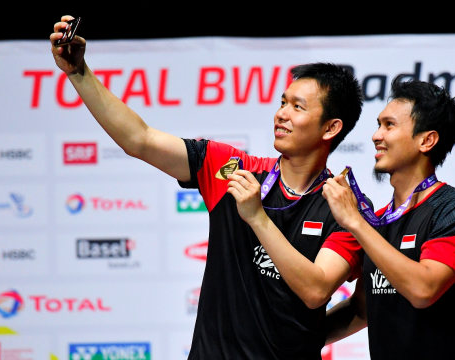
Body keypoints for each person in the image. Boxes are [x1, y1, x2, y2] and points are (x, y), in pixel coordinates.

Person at [50, 15, 364, 360]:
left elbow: (316, 290)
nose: (281, 114)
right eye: (282, 102)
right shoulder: (233, 169)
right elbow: (138, 139)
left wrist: (257, 217)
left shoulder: (345, 208)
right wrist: (79, 73)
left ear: (331, 128)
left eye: (297, 107)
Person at [322, 78, 455, 359]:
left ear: (427, 140)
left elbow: (423, 289)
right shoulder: (380, 221)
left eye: (389, 125)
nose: (376, 135)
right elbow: (362, 309)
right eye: (378, 124)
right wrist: (291, 340)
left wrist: (356, 222)